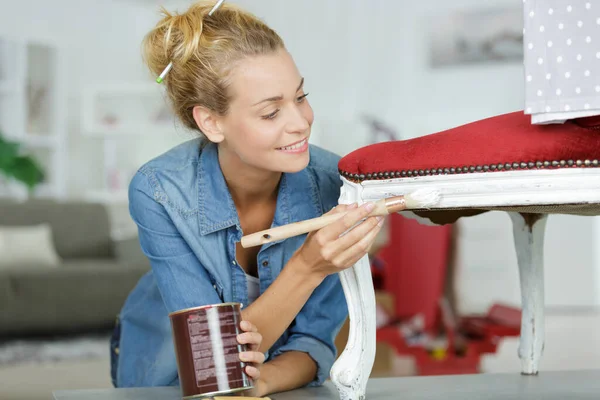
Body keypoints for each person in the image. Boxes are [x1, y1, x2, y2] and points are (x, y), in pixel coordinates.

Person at [110, 0, 383, 396]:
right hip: (159, 374)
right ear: (211, 122)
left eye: (301, 96)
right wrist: (308, 266)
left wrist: (261, 382)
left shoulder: (335, 184)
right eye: (271, 113)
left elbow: (313, 344)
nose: (301, 122)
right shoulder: (159, 191)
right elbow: (212, 365)